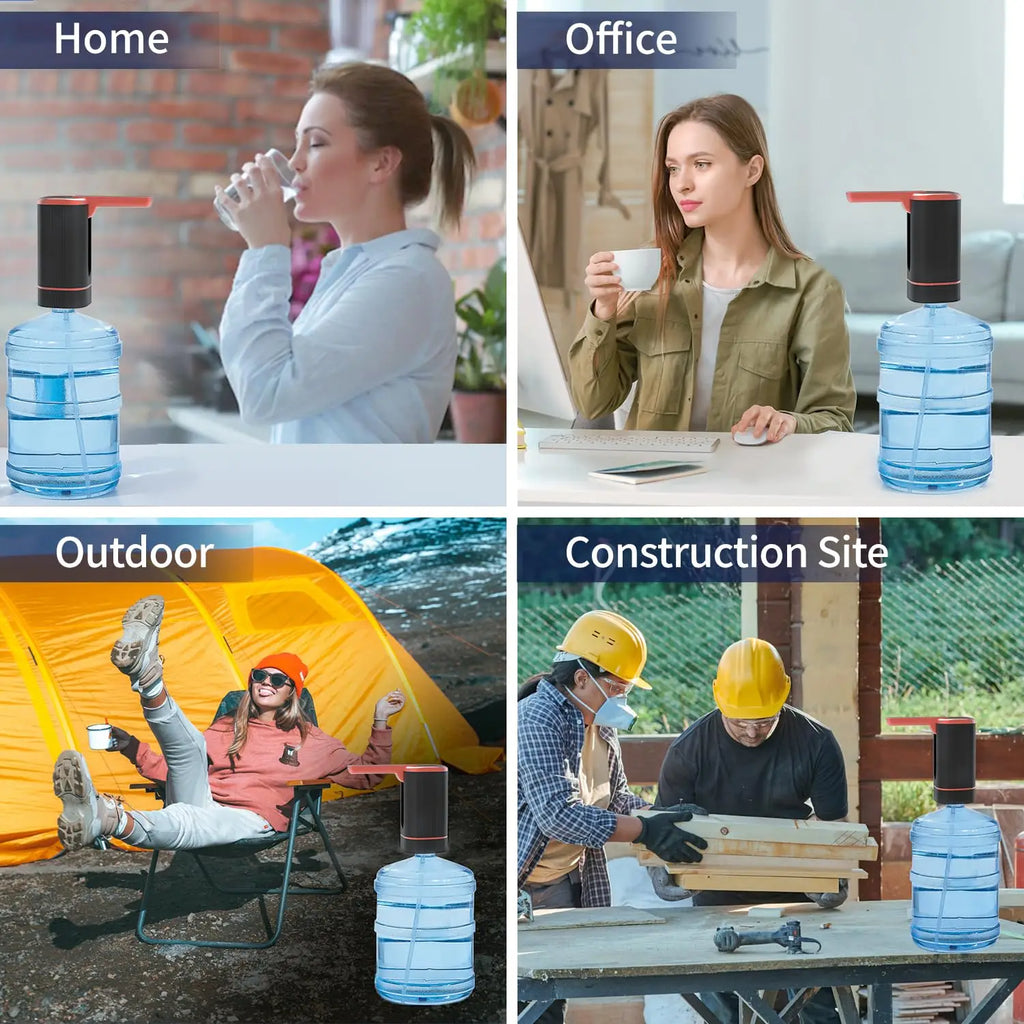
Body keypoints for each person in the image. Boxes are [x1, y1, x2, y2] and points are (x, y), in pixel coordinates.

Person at [215, 61, 477, 443]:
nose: (294, 163)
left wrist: (265, 250)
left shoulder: (408, 278)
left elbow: (264, 393)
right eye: (297, 143)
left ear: (382, 163)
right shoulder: (355, 271)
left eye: (316, 143)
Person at [568, 93, 855, 442]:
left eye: (701, 164)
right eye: (673, 168)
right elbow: (593, 403)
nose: (681, 183)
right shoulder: (652, 273)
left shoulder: (811, 291)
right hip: (650, 487)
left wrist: (788, 422)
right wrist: (603, 310)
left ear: (752, 170)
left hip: (749, 490)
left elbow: (835, 421)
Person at [53, 595, 406, 852]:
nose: (266, 683)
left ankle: (105, 817)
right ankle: (148, 677)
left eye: (278, 680)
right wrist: (129, 745)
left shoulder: (311, 741)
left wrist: (380, 720)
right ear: (251, 682)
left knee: (187, 820)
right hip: (201, 798)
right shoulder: (227, 727)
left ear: (292, 694)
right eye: (259, 676)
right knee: (191, 746)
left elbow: (370, 774)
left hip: (251, 819)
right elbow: (175, 767)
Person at [518, 609, 708, 1024]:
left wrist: (661, 816)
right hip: (525, 885)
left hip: (570, 878)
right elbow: (557, 815)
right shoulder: (537, 718)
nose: (624, 698)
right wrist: (645, 831)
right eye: (618, 687)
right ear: (582, 678)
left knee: (554, 998)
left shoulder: (601, 725)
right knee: (528, 1003)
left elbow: (617, 798)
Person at [655, 637, 848, 1024]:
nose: (751, 732)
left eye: (762, 720)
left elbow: (833, 828)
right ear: (718, 698)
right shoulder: (689, 751)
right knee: (722, 1009)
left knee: (818, 1007)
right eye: (739, 720)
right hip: (715, 891)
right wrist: (667, 874)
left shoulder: (816, 742)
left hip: (798, 890)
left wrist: (829, 873)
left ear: (784, 696)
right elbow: (662, 830)